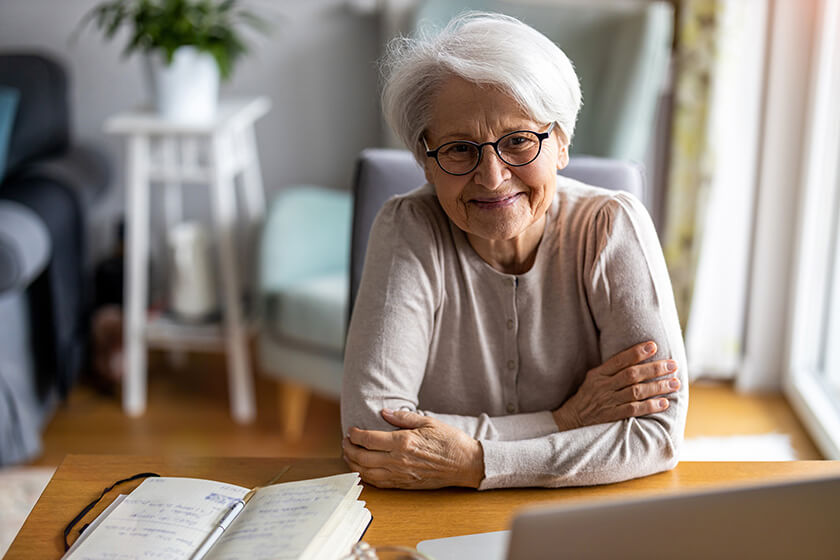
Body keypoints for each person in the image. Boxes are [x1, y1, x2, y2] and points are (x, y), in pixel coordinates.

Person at [341, 12, 687, 490]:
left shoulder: (611, 225)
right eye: (460, 149)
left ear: (560, 143)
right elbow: (375, 433)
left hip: (583, 515)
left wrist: (476, 462)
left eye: (519, 140)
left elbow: (657, 434)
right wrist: (565, 421)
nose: (492, 177)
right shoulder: (408, 228)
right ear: (426, 160)